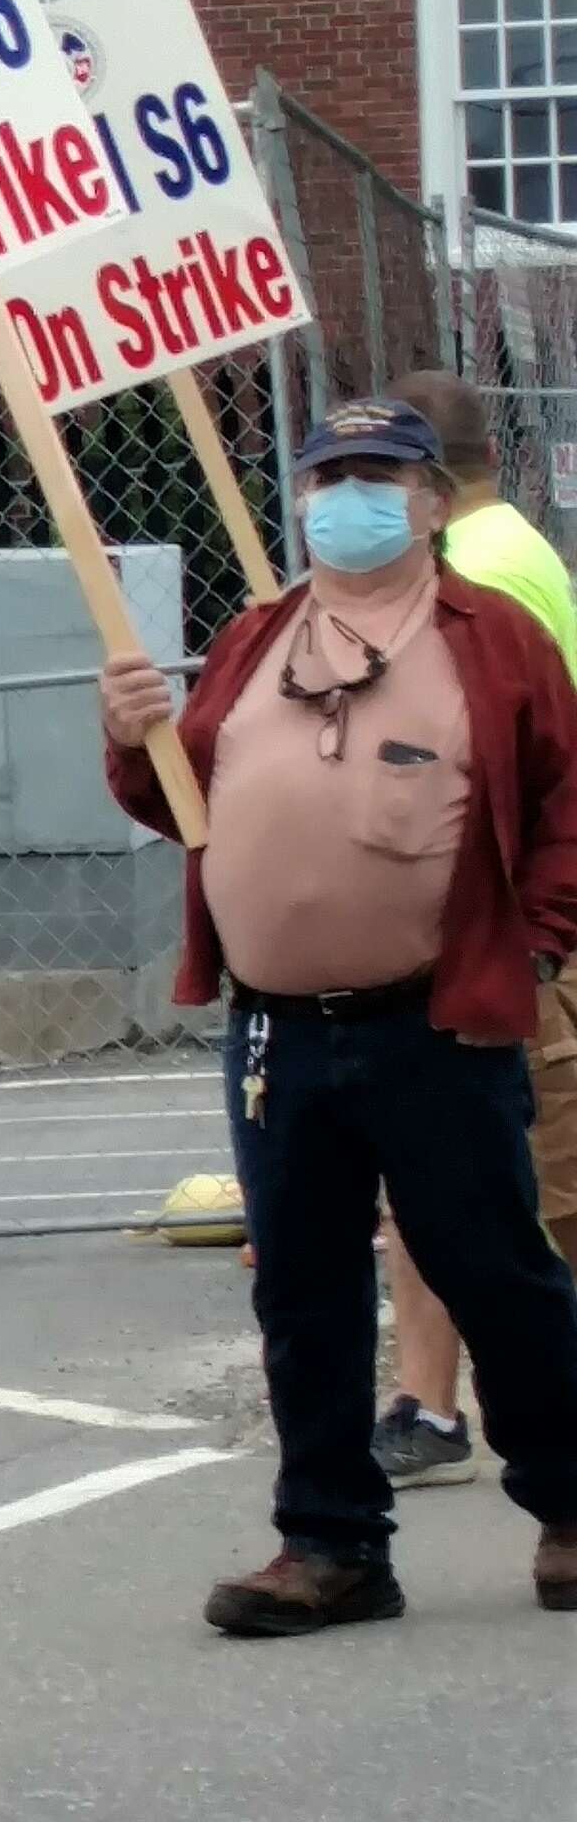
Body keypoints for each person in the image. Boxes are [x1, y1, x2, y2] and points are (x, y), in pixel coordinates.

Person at [97, 395, 577, 1636]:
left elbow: (567, 799)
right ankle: (331, 1542)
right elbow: (185, 807)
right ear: (299, 499)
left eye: (377, 474)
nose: (346, 497)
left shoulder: (497, 638)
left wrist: (536, 941)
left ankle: (572, 1502)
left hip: (437, 1020)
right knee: (301, 1287)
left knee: (495, 1269)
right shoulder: (258, 636)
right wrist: (130, 740)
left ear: (430, 502)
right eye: (326, 475)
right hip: (276, 1030)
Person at [365, 369, 577, 1488]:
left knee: (494, 1184)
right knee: (460, 1180)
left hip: (484, 928)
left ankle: (460, 1404)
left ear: (429, 487)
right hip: (497, 923)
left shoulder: (477, 575)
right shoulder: (520, 550)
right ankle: (429, 1396)